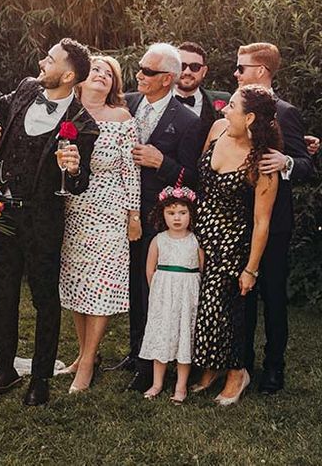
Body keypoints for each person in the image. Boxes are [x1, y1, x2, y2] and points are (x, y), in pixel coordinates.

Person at [0, 39, 99, 406]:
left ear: (67, 75)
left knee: (45, 299)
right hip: (2, 212)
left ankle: (41, 379)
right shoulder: (28, 89)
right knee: (4, 291)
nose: (41, 62)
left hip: (43, 218)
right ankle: (5, 368)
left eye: (49, 60)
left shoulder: (84, 124)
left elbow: (81, 183)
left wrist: (75, 169)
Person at [119, 43, 202, 393]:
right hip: (120, 207)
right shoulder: (127, 102)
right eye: (140, 67)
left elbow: (194, 176)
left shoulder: (188, 121)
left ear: (167, 79)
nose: (139, 74)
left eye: (148, 71)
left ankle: (149, 364)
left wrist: (160, 163)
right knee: (129, 285)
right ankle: (136, 350)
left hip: (158, 217)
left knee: (148, 285)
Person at [234, 43, 315, 393]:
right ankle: (241, 363)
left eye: (241, 68)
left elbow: (308, 166)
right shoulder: (231, 110)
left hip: (274, 224)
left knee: (272, 294)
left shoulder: (286, 112)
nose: (235, 74)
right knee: (239, 295)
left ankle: (274, 368)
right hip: (236, 218)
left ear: (261, 71)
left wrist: (288, 162)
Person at [192, 85, 279, 405]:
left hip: (233, 243)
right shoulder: (218, 130)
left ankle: (237, 373)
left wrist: (251, 269)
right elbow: (201, 181)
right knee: (202, 307)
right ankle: (212, 367)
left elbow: (262, 222)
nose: (224, 111)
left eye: (232, 106)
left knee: (228, 312)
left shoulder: (263, 161)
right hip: (200, 234)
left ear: (251, 117)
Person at [59, 56, 141, 393]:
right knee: (79, 284)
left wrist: (133, 216)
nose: (102, 76)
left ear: (114, 85)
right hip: (72, 208)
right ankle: (83, 353)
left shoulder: (122, 118)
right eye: (96, 70)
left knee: (102, 285)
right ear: (79, 77)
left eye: (109, 74)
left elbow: (130, 171)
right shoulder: (66, 113)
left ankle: (89, 362)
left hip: (109, 210)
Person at [138, 186, 203, 403]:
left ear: (191, 215)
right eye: (171, 213)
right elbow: (150, 269)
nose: (177, 218)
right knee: (162, 337)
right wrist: (158, 292)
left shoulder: (195, 241)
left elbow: (202, 269)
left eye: (183, 213)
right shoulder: (158, 240)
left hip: (187, 297)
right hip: (163, 297)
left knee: (184, 336)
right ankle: (157, 383)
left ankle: (181, 385)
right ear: (162, 214)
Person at [175, 42, 230, 135]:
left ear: (204, 71)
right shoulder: (156, 99)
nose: (187, 72)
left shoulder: (225, 100)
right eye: (182, 66)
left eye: (195, 67)